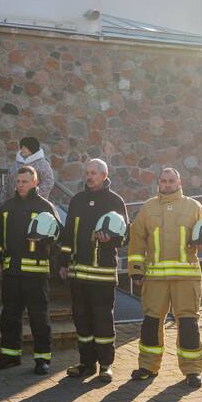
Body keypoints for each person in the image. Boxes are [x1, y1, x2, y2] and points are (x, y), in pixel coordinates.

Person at [127, 167, 202, 387]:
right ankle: (147, 366)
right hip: (155, 279)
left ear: (179, 182)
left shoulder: (193, 207)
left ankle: (192, 370)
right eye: (163, 180)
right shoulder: (148, 208)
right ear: (159, 183)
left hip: (186, 278)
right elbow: (137, 241)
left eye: (171, 180)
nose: (167, 184)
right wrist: (136, 270)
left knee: (188, 324)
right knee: (151, 323)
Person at [58, 159, 129, 383]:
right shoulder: (77, 200)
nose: (89, 177)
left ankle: (106, 365)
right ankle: (86, 363)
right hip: (78, 273)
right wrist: (63, 261)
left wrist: (111, 239)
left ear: (104, 175)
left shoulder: (115, 201)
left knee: (103, 320)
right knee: (82, 320)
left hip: (102, 273)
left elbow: (125, 236)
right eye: (87, 173)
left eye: (94, 173)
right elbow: (67, 234)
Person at [0, 165, 60, 375]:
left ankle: (42, 359)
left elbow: (57, 237)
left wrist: (46, 240)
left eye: (25, 181)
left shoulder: (45, 207)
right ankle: (10, 355)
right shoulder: (7, 207)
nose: (20, 185)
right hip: (12, 272)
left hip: (36, 274)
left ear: (35, 182)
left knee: (39, 318)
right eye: (18, 181)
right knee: (9, 316)